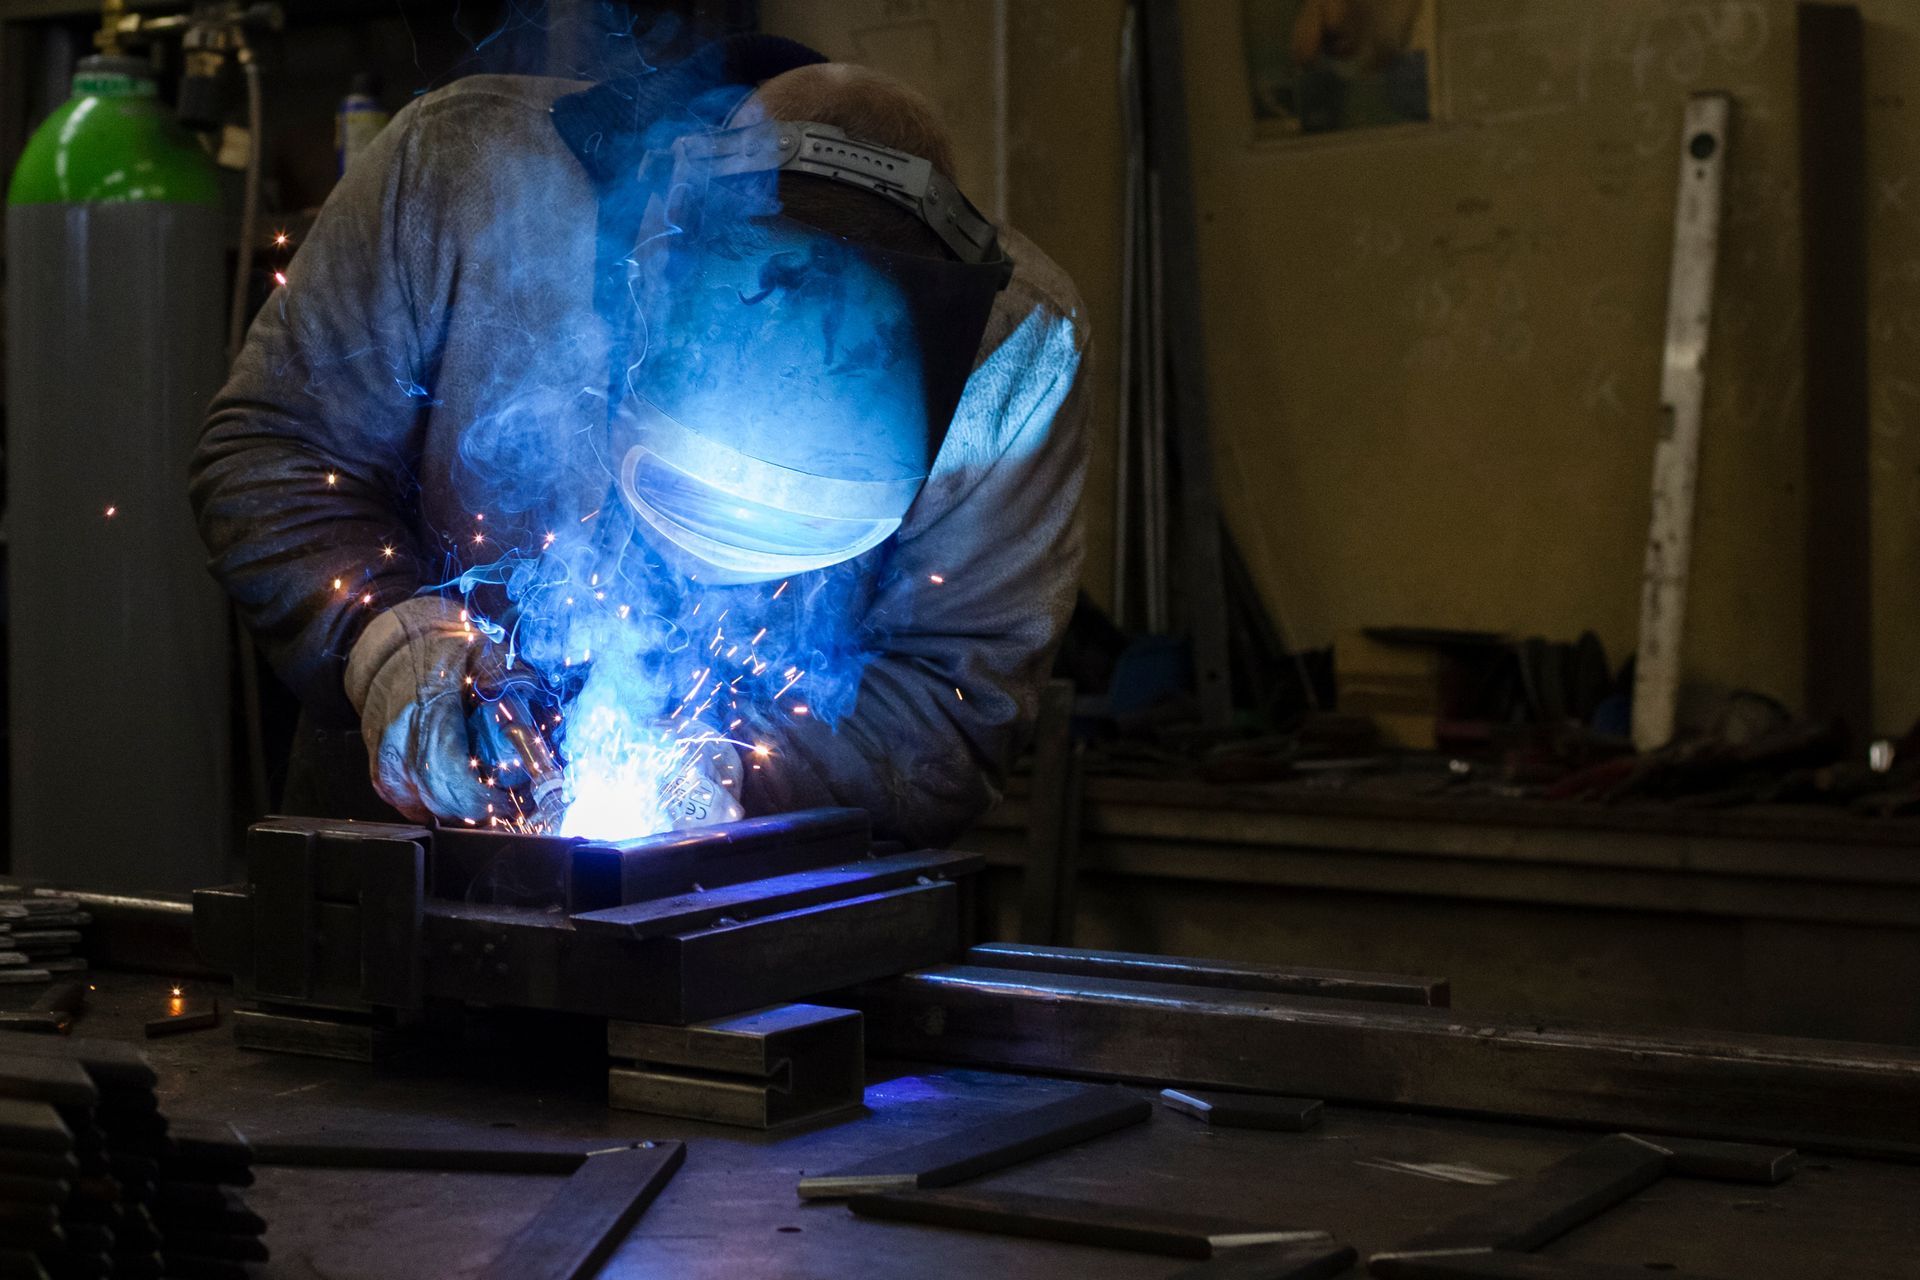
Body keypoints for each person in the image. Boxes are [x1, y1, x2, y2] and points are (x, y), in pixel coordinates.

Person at [188, 36, 1088, 848]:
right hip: (389, 878)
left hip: (746, 933)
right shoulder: (458, 175)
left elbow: (953, 709)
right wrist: (380, 637)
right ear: (644, 274)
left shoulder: (1015, 355)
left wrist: (736, 766)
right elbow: (270, 447)